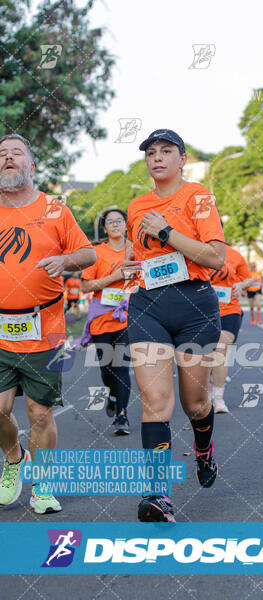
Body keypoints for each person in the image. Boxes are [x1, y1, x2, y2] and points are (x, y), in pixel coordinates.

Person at [123, 129, 225, 522]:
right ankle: (157, 494)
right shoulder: (137, 205)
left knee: (196, 404)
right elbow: (140, 253)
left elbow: (214, 258)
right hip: (149, 305)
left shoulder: (197, 195)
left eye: (166, 151)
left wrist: (166, 231)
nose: (157, 158)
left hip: (194, 305)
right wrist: (131, 267)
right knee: (155, 403)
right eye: (150, 152)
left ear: (182, 159)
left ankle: (203, 451)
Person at [0, 134, 95, 513]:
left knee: (40, 412)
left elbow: (88, 252)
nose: (8, 159)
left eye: (16, 153)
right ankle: (13, 459)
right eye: (1, 155)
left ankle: (43, 485)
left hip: (47, 325)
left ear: (32, 165)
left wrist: (66, 261)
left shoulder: (55, 209)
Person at [81, 209, 133, 435]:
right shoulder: (96, 253)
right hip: (102, 318)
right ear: (104, 228)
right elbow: (85, 286)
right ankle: (112, 394)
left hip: (128, 317)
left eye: (119, 221)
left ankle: (122, 416)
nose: (115, 225)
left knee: (121, 367)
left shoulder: (136, 250)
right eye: (110, 222)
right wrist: (116, 276)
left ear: (125, 225)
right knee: (107, 369)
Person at [210, 244, 254, 413]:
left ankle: (218, 398)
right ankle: (206, 393)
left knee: (219, 352)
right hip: (202, 311)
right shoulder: (194, 251)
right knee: (205, 355)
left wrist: (242, 285)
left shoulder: (234, 255)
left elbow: (249, 280)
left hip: (229, 310)